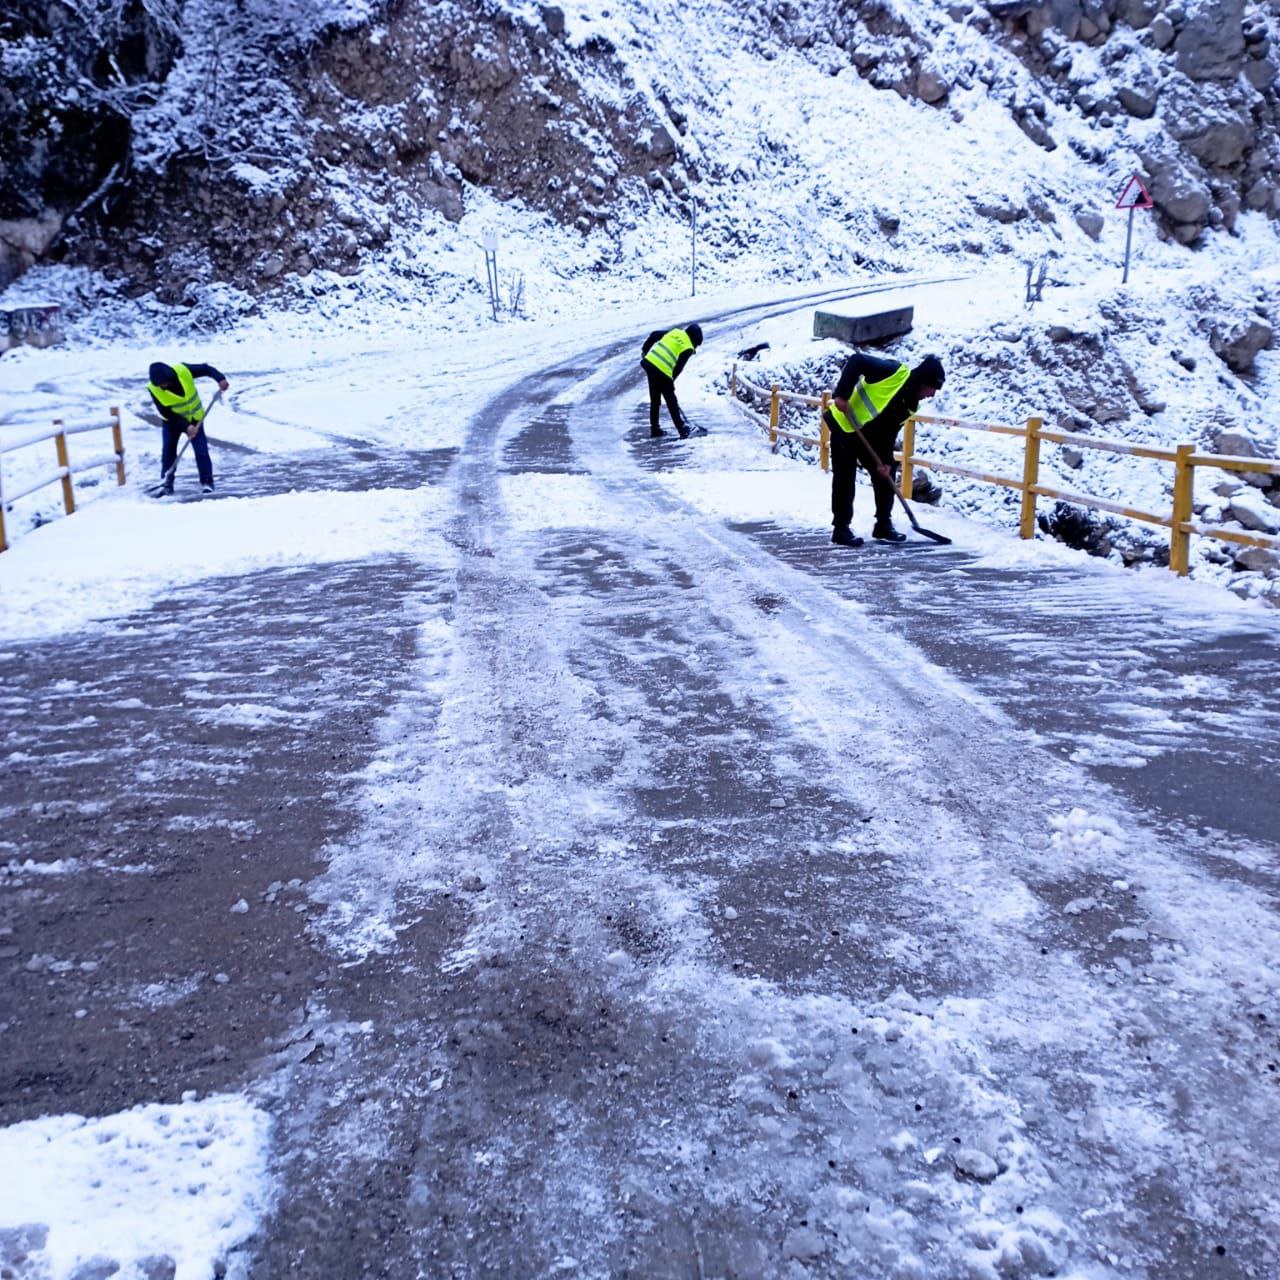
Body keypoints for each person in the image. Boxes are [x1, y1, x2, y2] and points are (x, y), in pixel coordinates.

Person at [824, 352, 945, 546]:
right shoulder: (893, 372)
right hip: (845, 425)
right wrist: (842, 394)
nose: (932, 394)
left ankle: (883, 525)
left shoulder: (912, 405)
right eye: (932, 388)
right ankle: (841, 529)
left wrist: (884, 459)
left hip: (869, 438)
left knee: (886, 471)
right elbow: (857, 361)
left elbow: (888, 433)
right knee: (845, 477)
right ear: (923, 380)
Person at [147, 360, 230, 494]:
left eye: (163, 384)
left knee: (201, 451)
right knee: (168, 451)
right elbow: (166, 412)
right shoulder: (154, 389)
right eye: (160, 385)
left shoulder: (183, 371)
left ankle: (207, 483)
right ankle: (166, 484)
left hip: (195, 418)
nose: (162, 387)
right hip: (172, 422)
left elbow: (206, 369)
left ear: (169, 377)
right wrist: (186, 427)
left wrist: (220, 379)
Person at [640, 322, 703, 438]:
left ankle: (655, 429)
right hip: (661, 371)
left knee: (655, 399)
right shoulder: (688, 347)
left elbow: (654, 335)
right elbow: (679, 367)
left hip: (649, 363)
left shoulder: (675, 332)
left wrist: (645, 350)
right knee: (671, 400)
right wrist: (670, 382)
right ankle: (682, 429)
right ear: (695, 340)